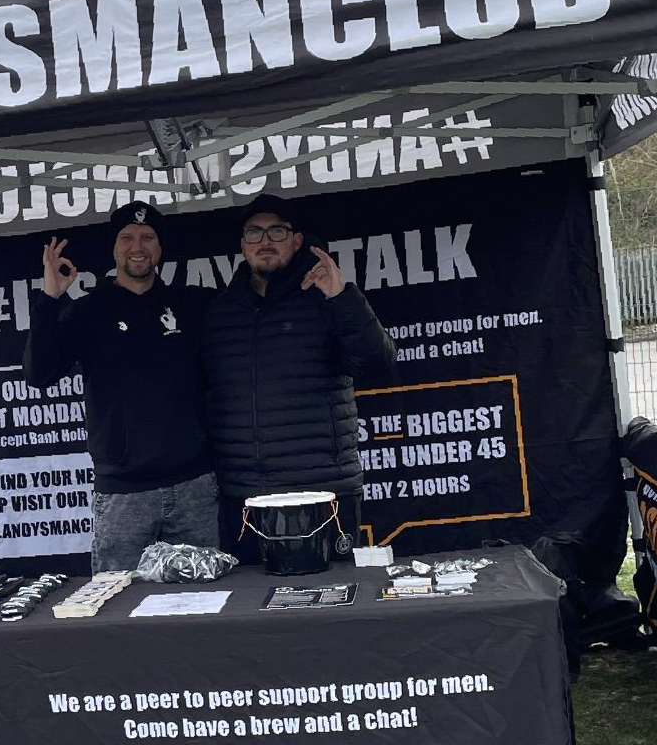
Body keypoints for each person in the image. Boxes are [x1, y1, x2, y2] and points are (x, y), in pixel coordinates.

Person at [177, 201, 395, 548]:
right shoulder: (218, 313)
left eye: (277, 231)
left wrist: (342, 297)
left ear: (296, 241)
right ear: (243, 243)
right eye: (254, 232)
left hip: (323, 491)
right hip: (246, 495)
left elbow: (377, 365)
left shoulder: (328, 300)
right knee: (248, 600)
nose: (265, 241)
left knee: (336, 598)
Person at [23, 201, 230, 564]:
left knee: (202, 601)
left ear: (160, 247)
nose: (138, 247)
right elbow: (39, 375)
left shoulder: (193, 304)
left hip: (193, 485)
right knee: (116, 603)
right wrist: (50, 297)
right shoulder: (87, 311)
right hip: (123, 492)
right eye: (127, 238)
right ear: (114, 247)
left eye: (148, 237)